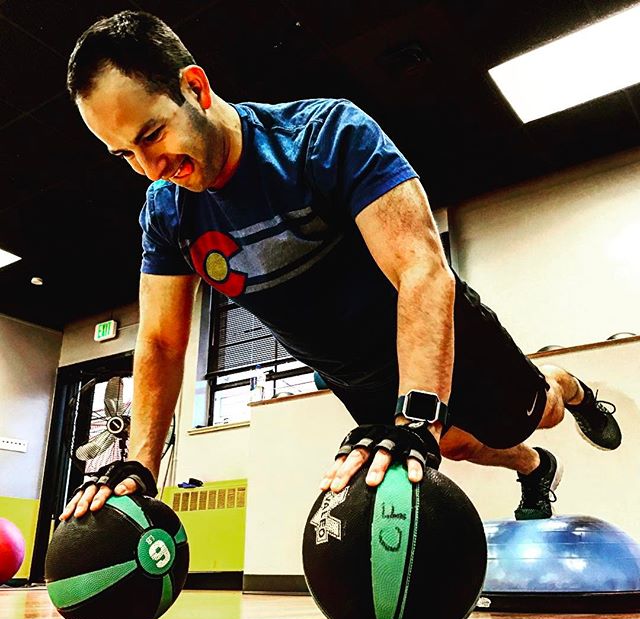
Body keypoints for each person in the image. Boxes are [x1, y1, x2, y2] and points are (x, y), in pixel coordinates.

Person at [60, 10, 621, 523]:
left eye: (152, 135)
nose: (150, 168)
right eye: (125, 155)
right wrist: (141, 467)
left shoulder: (325, 138)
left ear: (195, 87)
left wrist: (417, 416)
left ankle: (568, 388)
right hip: (352, 370)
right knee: (450, 444)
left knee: (531, 415)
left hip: (438, 330)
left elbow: (421, 269)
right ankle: (534, 468)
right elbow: (159, 342)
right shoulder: (166, 214)